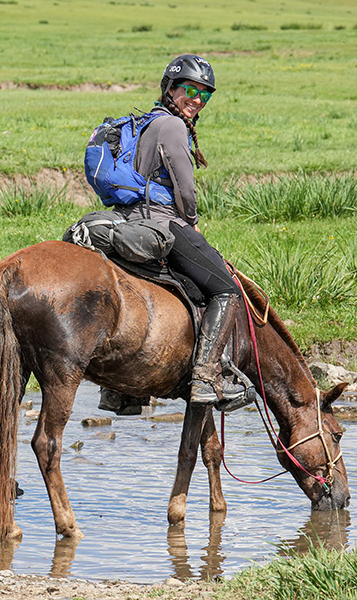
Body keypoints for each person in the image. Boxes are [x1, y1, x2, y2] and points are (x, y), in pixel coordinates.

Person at [105, 54, 251, 413]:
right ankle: (206, 376)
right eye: (189, 90)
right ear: (170, 89)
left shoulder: (145, 123)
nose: (197, 99)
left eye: (205, 94)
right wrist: (193, 221)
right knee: (227, 290)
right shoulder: (172, 127)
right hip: (161, 221)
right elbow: (185, 188)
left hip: (127, 219)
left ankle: (119, 389)